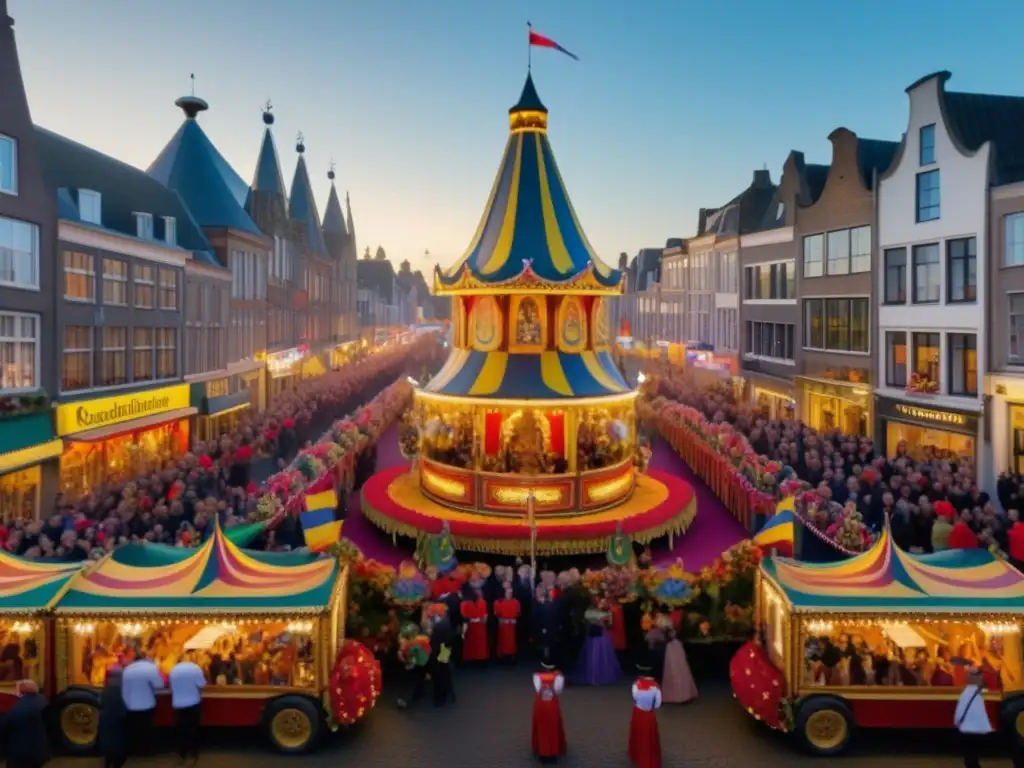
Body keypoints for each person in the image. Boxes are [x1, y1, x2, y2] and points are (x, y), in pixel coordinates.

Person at [121, 653, 165, 758]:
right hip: (146, 704)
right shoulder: (150, 668)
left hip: (130, 705)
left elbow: (124, 689)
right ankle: (146, 751)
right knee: (146, 729)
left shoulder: (127, 669)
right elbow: (159, 685)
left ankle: (133, 751)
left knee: (133, 730)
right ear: (145, 659)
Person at [0, 679, 48, 768]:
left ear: (22, 691)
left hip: (19, 756)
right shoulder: (43, 700)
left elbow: (3, 731)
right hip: (40, 753)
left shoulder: (15, 709)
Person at [169, 653, 206, 761]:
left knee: (181, 728)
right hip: (193, 702)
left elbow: (171, 688)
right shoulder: (195, 668)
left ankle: (182, 752)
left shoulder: (173, 670)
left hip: (178, 703)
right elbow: (202, 685)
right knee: (193, 728)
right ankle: (194, 752)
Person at [954, 668, 992, 768]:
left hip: (966, 729)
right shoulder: (980, 693)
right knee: (974, 752)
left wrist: (957, 723)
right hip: (978, 729)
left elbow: (959, 711)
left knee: (968, 754)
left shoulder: (964, 694)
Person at [531, 662, 567, 764]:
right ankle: (553, 752)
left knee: (542, 727)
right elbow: (558, 691)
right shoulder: (559, 677)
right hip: (552, 705)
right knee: (553, 726)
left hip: (541, 705)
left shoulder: (537, 676)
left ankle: (542, 752)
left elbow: (537, 690)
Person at [628, 671, 662, 768]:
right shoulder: (656, 687)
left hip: (638, 713)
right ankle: (649, 758)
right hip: (649, 714)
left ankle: (636, 756)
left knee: (638, 733)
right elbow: (658, 704)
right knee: (649, 737)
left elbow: (635, 697)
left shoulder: (636, 684)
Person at [98, 666, 127, 768]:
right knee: (118, 739)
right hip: (117, 716)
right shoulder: (121, 686)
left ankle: (108, 761)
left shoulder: (107, 687)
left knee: (108, 739)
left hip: (105, 717)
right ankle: (116, 763)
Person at [661, 623, 698, 703]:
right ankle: (682, 695)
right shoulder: (670, 626)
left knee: (677, 669)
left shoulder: (667, 625)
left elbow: (668, 637)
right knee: (678, 669)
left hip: (673, 647)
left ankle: (680, 695)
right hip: (675, 646)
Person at [460, 588, 490, 663]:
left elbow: (485, 616)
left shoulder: (482, 603)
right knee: (472, 643)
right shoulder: (466, 604)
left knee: (479, 644)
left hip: (478, 625)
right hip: (473, 625)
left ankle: (479, 658)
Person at [495, 582, 521, 662]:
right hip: (503, 626)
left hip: (512, 626)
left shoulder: (516, 602)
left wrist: (513, 619)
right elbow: (497, 613)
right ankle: (502, 656)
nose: (509, 594)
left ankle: (511, 656)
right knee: (503, 641)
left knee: (512, 642)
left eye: (510, 593)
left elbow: (518, 613)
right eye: (507, 592)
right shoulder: (499, 602)